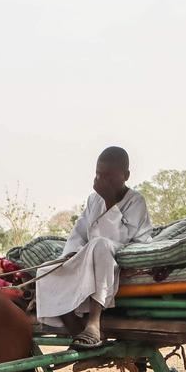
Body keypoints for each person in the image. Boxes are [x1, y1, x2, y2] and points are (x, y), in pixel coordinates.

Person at [36, 146, 152, 349]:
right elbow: (81, 232)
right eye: (98, 174)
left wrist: (109, 200)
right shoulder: (93, 199)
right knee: (45, 271)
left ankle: (93, 322)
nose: (101, 179)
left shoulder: (136, 200)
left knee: (100, 245)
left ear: (125, 175)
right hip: (96, 250)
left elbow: (119, 237)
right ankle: (77, 332)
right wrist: (70, 254)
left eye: (108, 175)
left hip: (126, 250)